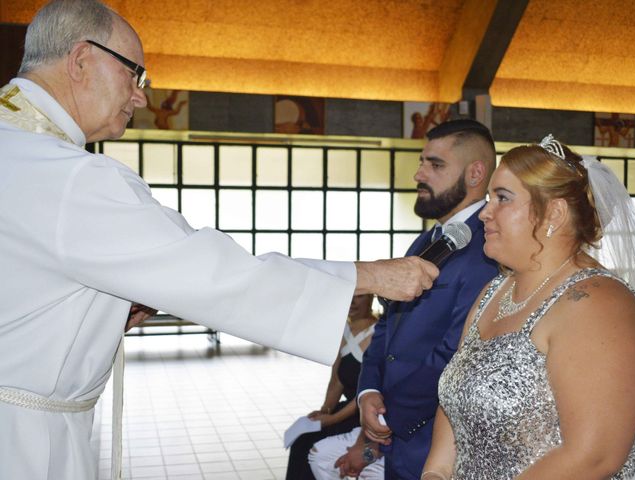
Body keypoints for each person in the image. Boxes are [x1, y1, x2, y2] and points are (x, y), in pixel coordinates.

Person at [0, 1, 439, 479]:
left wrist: (92, 316)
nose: (141, 97)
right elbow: (218, 273)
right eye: (134, 75)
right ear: (81, 59)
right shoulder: (72, 179)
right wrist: (370, 275)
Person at [421, 135, 635, 480]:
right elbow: (453, 405)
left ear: (554, 212)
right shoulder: (494, 292)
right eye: (490, 197)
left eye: (502, 198)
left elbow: (594, 456)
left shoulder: (597, 302)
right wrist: (434, 473)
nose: (485, 213)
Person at [338, 119, 500, 479]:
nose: (418, 174)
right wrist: (367, 390)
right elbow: (387, 324)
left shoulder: (488, 250)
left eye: (435, 165)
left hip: (436, 441)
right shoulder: (426, 241)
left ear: (476, 174)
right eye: (421, 162)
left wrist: (389, 418)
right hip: (394, 431)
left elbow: (457, 354)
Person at [285, 294, 378, 480]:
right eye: (349, 296)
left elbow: (367, 390)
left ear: (371, 298)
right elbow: (336, 380)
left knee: (309, 443)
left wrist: (333, 419)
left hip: (365, 413)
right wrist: (325, 410)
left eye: (358, 296)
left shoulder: (378, 332)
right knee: (301, 439)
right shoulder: (344, 330)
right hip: (347, 408)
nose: (352, 302)